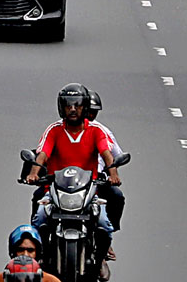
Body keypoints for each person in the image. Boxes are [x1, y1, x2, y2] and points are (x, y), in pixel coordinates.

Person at [21, 84, 119, 263]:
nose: (73, 110)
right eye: (68, 105)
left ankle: (99, 261)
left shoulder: (96, 131)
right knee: (39, 220)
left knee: (104, 225)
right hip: (55, 190)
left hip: (89, 192)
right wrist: (34, 173)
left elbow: (107, 154)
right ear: (61, 107)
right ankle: (39, 259)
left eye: (77, 105)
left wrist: (113, 174)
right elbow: (42, 154)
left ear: (85, 107)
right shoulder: (54, 130)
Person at [83, 91, 127, 236]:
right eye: (87, 111)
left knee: (116, 196)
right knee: (40, 201)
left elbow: (114, 156)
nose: (90, 116)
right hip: (65, 182)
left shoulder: (101, 131)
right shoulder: (59, 129)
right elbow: (44, 152)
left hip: (94, 182)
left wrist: (112, 174)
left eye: (93, 112)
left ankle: (107, 237)